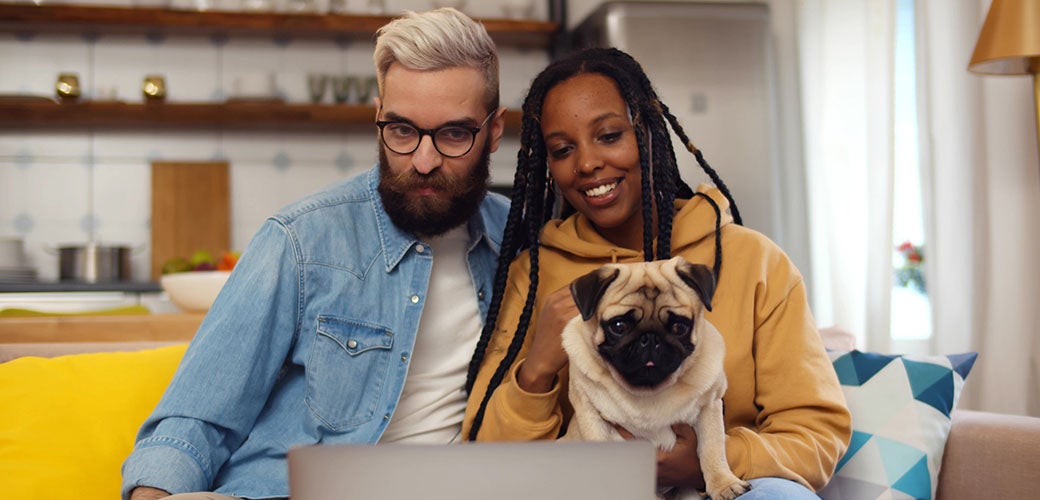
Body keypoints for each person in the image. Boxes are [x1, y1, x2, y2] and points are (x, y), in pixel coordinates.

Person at [122, 8, 508, 499]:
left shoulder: (519, 243)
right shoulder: (301, 240)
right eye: (401, 130)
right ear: (377, 118)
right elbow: (194, 421)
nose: (424, 160)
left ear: (494, 131)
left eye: (454, 134)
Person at [462, 47, 851, 498]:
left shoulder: (754, 261)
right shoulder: (534, 277)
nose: (586, 163)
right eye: (563, 149)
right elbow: (486, 459)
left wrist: (710, 461)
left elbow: (816, 434)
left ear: (647, 132)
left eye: (609, 135)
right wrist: (537, 370)